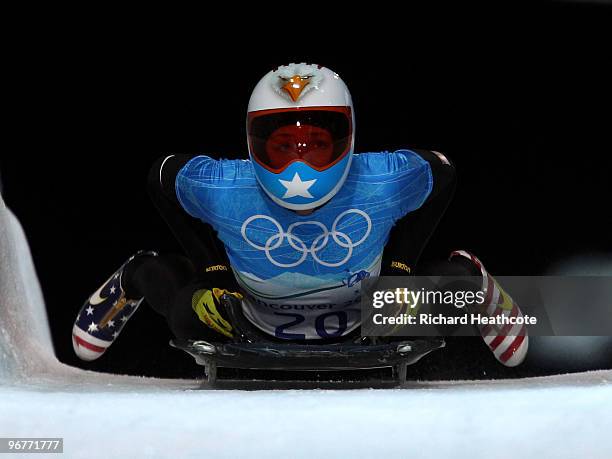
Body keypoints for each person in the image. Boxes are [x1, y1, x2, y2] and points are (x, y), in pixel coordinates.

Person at [72, 63, 527, 367]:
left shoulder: (381, 178)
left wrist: (400, 267)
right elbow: (161, 176)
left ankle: (473, 275)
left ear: (346, 136)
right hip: (248, 315)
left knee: (440, 290)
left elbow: (442, 173)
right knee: (191, 315)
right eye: (282, 146)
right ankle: (134, 275)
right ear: (254, 142)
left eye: (316, 146)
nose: (299, 168)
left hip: (368, 315)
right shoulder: (222, 184)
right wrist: (211, 269)